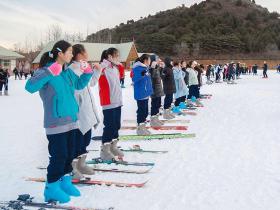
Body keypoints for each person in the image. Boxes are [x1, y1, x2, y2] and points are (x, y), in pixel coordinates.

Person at [25, 40, 94, 203]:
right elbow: (30, 87)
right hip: (56, 123)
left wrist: (87, 73)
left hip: (72, 121)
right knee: (59, 156)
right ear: (60, 53)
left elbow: (78, 85)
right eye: (69, 52)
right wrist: (49, 71)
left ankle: (65, 182)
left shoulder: (67, 72)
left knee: (70, 154)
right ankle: (51, 188)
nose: (72, 54)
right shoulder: (45, 70)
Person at [69, 44, 102, 180]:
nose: (87, 54)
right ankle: (73, 166)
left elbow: (91, 83)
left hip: (87, 109)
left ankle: (81, 164)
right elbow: (75, 89)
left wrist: (97, 71)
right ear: (79, 54)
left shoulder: (84, 66)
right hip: (78, 111)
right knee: (78, 141)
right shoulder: (72, 69)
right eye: (85, 51)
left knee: (86, 139)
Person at [98, 48, 124, 161]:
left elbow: (122, 76)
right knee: (109, 126)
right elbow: (95, 79)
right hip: (108, 101)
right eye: (116, 55)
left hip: (117, 100)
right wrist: (104, 64)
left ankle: (113, 147)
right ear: (109, 56)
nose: (118, 58)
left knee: (116, 125)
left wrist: (120, 65)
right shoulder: (102, 68)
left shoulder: (115, 68)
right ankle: (104, 150)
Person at [132, 54, 153, 135]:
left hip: (145, 93)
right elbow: (134, 79)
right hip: (141, 93)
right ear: (145, 60)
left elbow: (148, 80)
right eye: (149, 60)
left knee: (145, 111)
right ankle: (140, 128)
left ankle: (142, 126)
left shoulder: (146, 68)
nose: (150, 62)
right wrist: (142, 74)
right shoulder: (137, 68)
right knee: (141, 111)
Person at [149, 59, 165, 127]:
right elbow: (152, 76)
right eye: (156, 62)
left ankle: (156, 119)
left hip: (159, 90)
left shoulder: (157, 69)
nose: (158, 63)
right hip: (154, 91)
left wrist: (161, 68)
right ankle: (153, 120)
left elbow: (160, 76)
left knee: (158, 105)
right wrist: (152, 68)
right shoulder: (151, 69)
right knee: (154, 105)